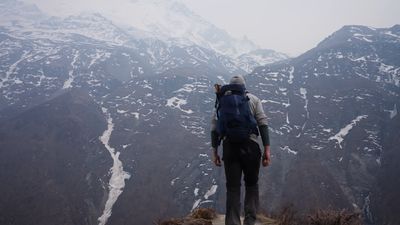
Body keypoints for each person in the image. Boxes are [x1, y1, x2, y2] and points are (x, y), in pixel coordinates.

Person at [211, 75, 271, 225]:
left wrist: (215, 152)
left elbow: (214, 128)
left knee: (232, 187)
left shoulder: (222, 102)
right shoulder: (254, 99)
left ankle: (232, 222)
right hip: (251, 147)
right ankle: (250, 221)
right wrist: (267, 150)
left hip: (230, 147)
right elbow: (263, 123)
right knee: (251, 184)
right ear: (244, 86)